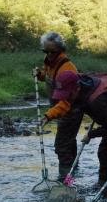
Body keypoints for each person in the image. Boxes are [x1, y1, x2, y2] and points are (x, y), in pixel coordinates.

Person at [41, 70, 107, 202]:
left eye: (67, 94)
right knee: (103, 152)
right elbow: (66, 104)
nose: (66, 97)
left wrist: (91, 135)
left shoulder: (96, 101)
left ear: (77, 88)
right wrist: (49, 115)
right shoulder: (80, 87)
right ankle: (104, 189)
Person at [34, 31, 83, 180]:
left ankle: (65, 180)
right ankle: (74, 175)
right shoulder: (50, 62)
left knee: (61, 146)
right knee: (69, 142)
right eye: (45, 51)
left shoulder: (66, 68)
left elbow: (65, 103)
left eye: (52, 52)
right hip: (60, 109)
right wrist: (40, 75)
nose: (49, 55)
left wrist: (48, 116)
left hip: (71, 109)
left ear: (61, 50)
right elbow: (51, 78)